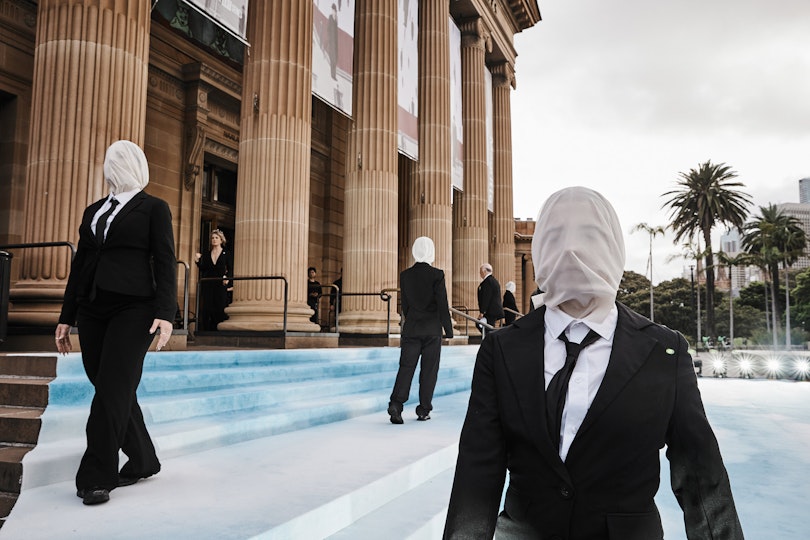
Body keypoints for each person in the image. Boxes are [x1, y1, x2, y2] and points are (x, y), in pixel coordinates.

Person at [444, 187, 743, 539]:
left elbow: (700, 477)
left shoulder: (664, 351)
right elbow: (478, 472)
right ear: (540, 247)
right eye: (555, 235)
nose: (571, 249)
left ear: (613, 245)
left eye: (588, 235)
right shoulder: (502, 348)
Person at [54, 140, 177, 506]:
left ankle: (95, 475)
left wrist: (165, 313)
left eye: (115, 161)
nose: (109, 167)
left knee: (111, 389)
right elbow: (80, 267)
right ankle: (143, 460)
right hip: (92, 309)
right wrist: (66, 317)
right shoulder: (93, 211)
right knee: (111, 387)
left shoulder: (154, 208)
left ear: (130, 165)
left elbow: (166, 260)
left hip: (134, 310)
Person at [388, 237, 454, 424]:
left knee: (406, 368)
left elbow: (406, 306)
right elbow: (443, 304)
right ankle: (423, 409)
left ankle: (396, 404)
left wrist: (413, 318)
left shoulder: (405, 275)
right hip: (432, 330)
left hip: (412, 328)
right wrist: (448, 330)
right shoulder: (437, 274)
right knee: (429, 371)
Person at [195, 229, 232, 331]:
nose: (214, 240)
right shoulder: (207, 254)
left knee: (220, 305)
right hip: (209, 282)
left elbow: (230, 267)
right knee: (208, 306)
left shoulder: (226, 253)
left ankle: (220, 329)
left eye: (216, 238)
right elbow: (204, 268)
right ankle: (207, 330)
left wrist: (227, 277)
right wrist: (197, 261)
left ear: (221, 240)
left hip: (220, 282)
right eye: (212, 238)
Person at [477, 263, 504, 328]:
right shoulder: (493, 280)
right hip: (494, 310)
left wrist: (482, 311)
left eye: (481, 271)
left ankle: (491, 337)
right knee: (487, 326)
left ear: (484, 271)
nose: (480, 273)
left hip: (490, 310)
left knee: (484, 326)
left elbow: (486, 297)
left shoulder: (488, 282)